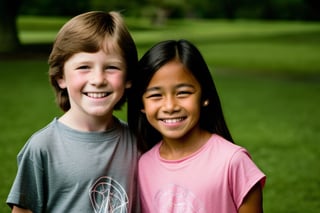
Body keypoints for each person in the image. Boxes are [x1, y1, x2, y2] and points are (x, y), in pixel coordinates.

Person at [7, 11, 140, 213]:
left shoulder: (139, 141)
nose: (98, 79)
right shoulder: (43, 148)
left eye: (111, 67)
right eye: (84, 67)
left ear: (128, 78)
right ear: (61, 77)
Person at [128, 39, 266, 213]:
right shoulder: (142, 165)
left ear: (205, 96)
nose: (170, 106)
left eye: (183, 93)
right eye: (156, 95)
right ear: (141, 104)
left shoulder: (233, 162)